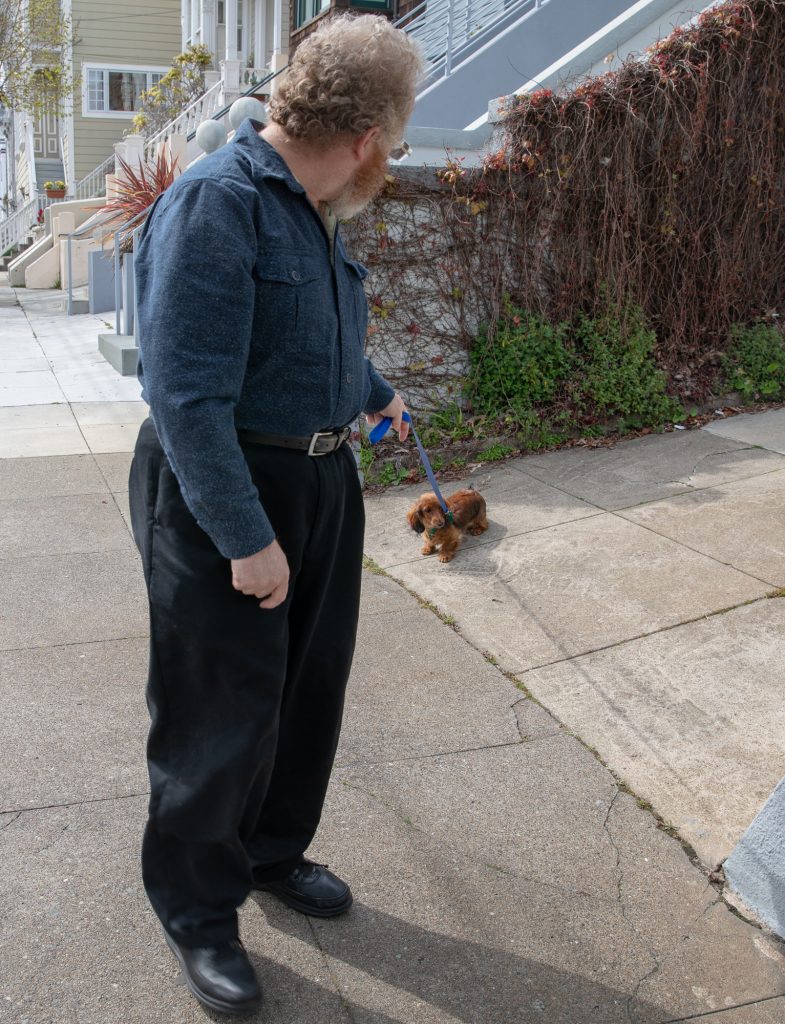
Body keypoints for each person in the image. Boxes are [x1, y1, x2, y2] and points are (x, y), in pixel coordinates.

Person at [128, 14, 424, 1015]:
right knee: (219, 711)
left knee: (305, 689)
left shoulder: (310, 202)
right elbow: (186, 396)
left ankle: (268, 851)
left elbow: (301, 331)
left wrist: (370, 388)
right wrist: (246, 541)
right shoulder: (220, 205)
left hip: (319, 479)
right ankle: (197, 910)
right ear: (369, 136)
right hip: (226, 487)